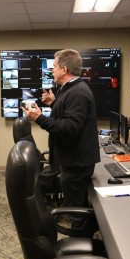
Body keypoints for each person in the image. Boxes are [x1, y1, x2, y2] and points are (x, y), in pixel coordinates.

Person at [22, 49, 100, 209]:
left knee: (75, 206)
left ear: (64, 69)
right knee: (74, 201)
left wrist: (39, 118)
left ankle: (79, 232)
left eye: (54, 66)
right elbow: (67, 114)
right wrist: (55, 102)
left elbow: (70, 127)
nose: (52, 70)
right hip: (72, 159)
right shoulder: (69, 89)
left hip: (76, 163)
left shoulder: (77, 92)